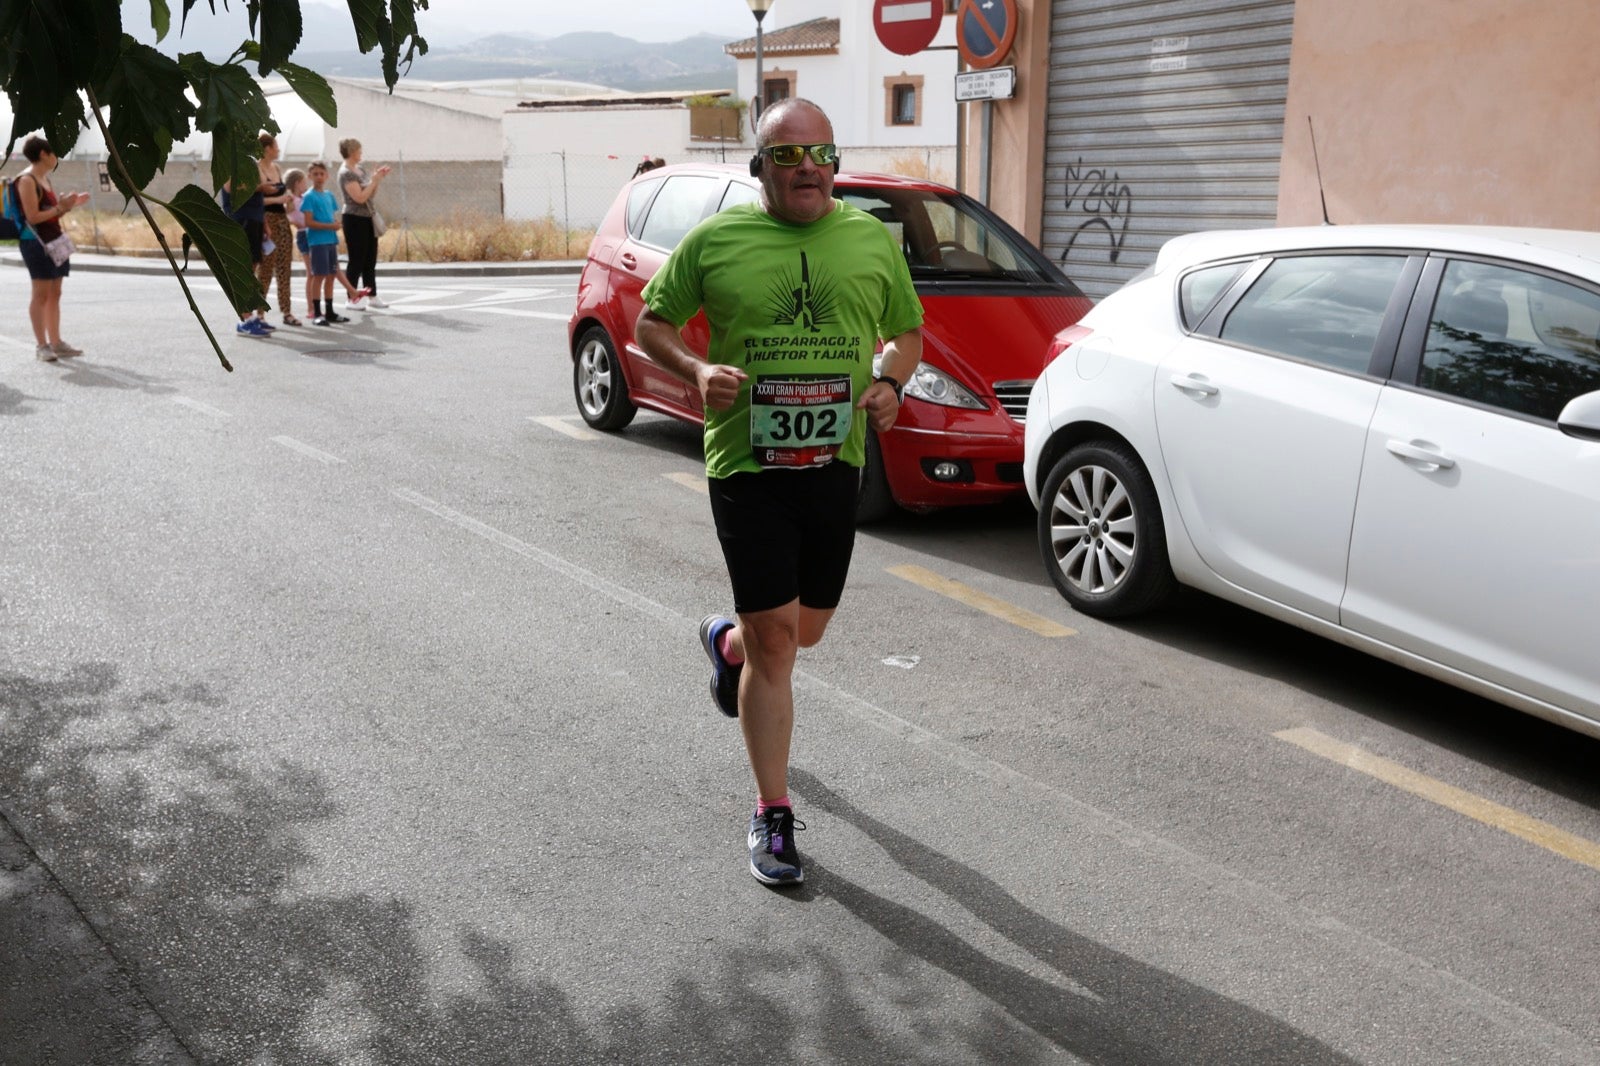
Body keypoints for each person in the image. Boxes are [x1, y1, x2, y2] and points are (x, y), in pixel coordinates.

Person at [635, 98, 924, 887]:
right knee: (779, 646)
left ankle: (726, 644)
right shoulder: (716, 240)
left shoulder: (869, 240)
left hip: (835, 464)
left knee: (803, 635)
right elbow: (649, 323)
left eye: (819, 153)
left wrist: (891, 382)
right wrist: (694, 369)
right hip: (747, 468)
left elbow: (907, 332)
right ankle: (772, 812)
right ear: (760, 167)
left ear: (834, 161)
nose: (806, 167)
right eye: (787, 155)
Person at [12, 136, 90, 361]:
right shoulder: (27, 180)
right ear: (44, 154)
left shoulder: (44, 179)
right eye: (54, 152)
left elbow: (52, 212)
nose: (56, 157)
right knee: (41, 294)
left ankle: (56, 342)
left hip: (54, 243)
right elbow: (33, 216)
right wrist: (60, 207)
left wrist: (69, 205)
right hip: (36, 244)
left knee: (55, 293)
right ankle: (42, 346)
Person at [221, 150, 282, 337]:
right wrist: (260, 187)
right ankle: (245, 319)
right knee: (243, 271)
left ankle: (251, 316)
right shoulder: (230, 164)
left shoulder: (250, 164)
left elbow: (257, 199)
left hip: (254, 221)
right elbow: (233, 188)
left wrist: (264, 224)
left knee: (252, 269)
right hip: (241, 222)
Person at [337, 138, 391, 310]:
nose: (361, 153)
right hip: (354, 219)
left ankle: (371, 295)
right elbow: (359, 197)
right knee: (356, 259)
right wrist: (373, 182)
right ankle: (351, 297)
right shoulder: (346, 172)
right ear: (352, 151)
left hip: (367, 217)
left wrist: (377, 179)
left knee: (370, 258)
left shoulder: (359, 169)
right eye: (359, 150)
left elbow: (369, 195)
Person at [255, 133, 300, 326]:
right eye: (275, 146)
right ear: (267, 148)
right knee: (265, 268)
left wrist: (287, 200)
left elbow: (282, 196)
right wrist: (278, 200)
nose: (278, 149)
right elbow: (255, 200)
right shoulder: (256, 169)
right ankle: (260, 313)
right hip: (266, 221)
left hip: (282, 220)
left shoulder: (277, 168)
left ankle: (287, 311)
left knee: (284, 267)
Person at [300, 161, 347, 326]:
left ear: (327, 176)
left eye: (322, 173)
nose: (319, 177)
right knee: (318, 276)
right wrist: (330, 226)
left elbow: (332, 216)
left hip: (330, 241)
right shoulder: (308, 197)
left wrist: (336, 224)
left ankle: (330, 310)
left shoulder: (329, 196)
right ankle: (317, 312)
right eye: (315, 174)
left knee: (331, 276)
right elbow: (309, 222)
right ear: (310, 176)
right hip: (317, 242)